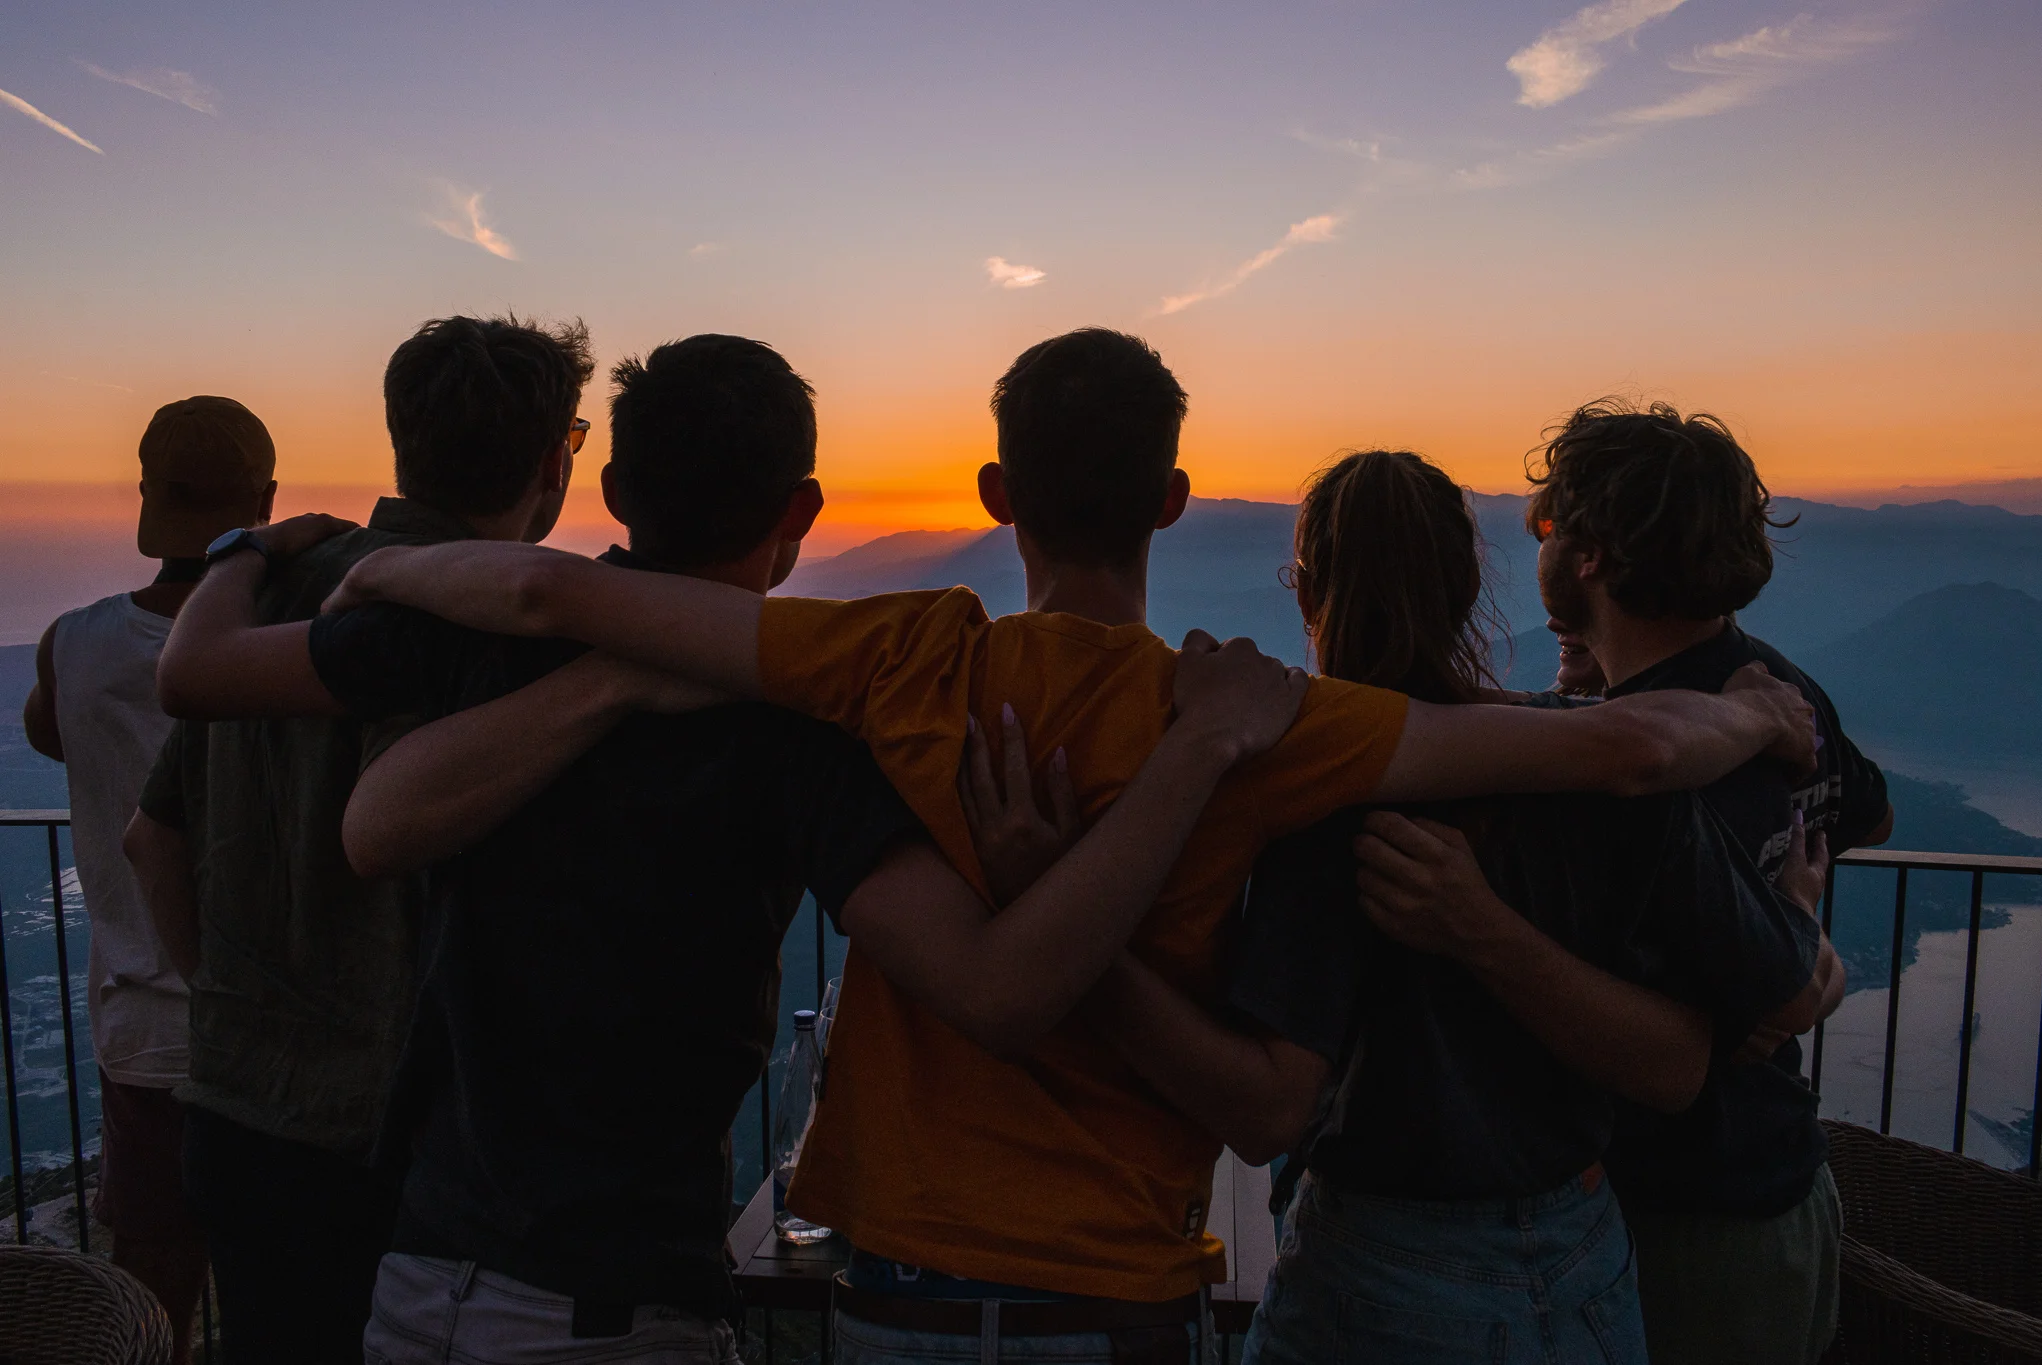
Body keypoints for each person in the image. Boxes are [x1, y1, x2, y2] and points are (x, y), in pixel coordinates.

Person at [321, 328, 1821, 1365]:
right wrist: (1755, 719)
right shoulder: (1261, 716)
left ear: (994, 498)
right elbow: (1614, 745)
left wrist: (358, 570)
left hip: (899, 1287)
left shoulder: (894, 660)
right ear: (1173, 499)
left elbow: (551, 601)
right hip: (1121, 1293)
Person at [156, 333, 1313, 1362]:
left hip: (419, 1275)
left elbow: (220, 695)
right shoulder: (793, 729)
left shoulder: (480, 630)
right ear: (801, 515)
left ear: (610, 489)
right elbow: (995, 989)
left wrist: (246, 552)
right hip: (619, 1300)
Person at [967, 449, 1837, 1364]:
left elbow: (1264, 1108)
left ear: (1305, 593)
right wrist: (1791, 896)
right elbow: (1679, 1066)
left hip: (1376, 1277)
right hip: (1584, 1263)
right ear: (1468, 588)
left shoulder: (1313, 807)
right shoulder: (1591, 765)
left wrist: (1067, 933)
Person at [121, 314, 593, 1364]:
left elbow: (152, 836)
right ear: (551, 459)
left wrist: (229, 1001)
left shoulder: (273, 589)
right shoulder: (483, 625)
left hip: (238, 1110)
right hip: (402, 1138)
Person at [1529, 399, 1893, 1365]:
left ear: (1591, 554)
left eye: (1548, 524)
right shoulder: (1776, 688)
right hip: (1780, 1187)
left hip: (1683, 1223)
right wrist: (1797, 916)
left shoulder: (1641, 756)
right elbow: (1869, 811)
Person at [22, 396, 275, 1362]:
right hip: (275, 1025)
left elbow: (54, 734)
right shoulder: (287, 640)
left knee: (152, 1293)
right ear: (266, 497)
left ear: (145, 496)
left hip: (142, 1035)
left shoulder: (69, 643)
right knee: (291, 1287)